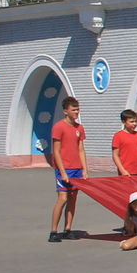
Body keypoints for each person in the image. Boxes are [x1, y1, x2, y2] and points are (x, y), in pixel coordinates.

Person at [48, 96, 87, 243]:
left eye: (77, 109)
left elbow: (81, 150)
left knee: (73, 199)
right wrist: (63, 171)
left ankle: (68, 229)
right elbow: (56, 151)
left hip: (77, 169)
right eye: (73, 109)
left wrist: (84, 169)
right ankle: (53, 231)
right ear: (66, 111)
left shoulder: (79, 128)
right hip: (64, 169)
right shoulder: (59, 127)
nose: (76, 112)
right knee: (62, 198)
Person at [112, 108, 137, 177]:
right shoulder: (118, 136)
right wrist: (122, 170)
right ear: (124, 122)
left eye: (135, 121)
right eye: (131, 122)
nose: (134, 124)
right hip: (126, 172)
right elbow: (115, 155)